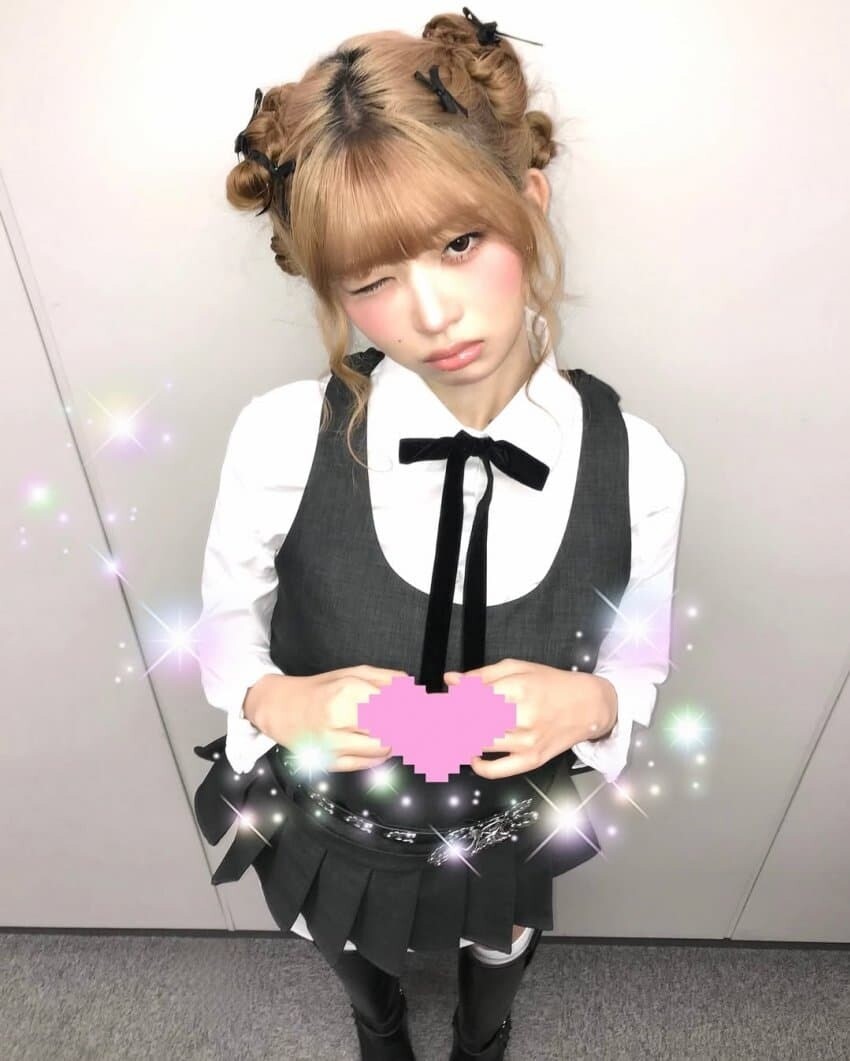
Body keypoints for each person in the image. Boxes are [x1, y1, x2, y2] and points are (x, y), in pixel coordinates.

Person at [193, 7, 686, 1059]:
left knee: (501, 940)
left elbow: (639, 657)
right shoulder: (281, 435)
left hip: (506, 819)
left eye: (461, 243)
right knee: (339, 935)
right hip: (331, 806)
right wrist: (278, 698)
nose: (432, 314)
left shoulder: (638, 461)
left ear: (528, 202)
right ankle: (376, 1021)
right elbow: (225, 625)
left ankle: (482, 1029)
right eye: (371, 279)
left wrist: (595, 701)